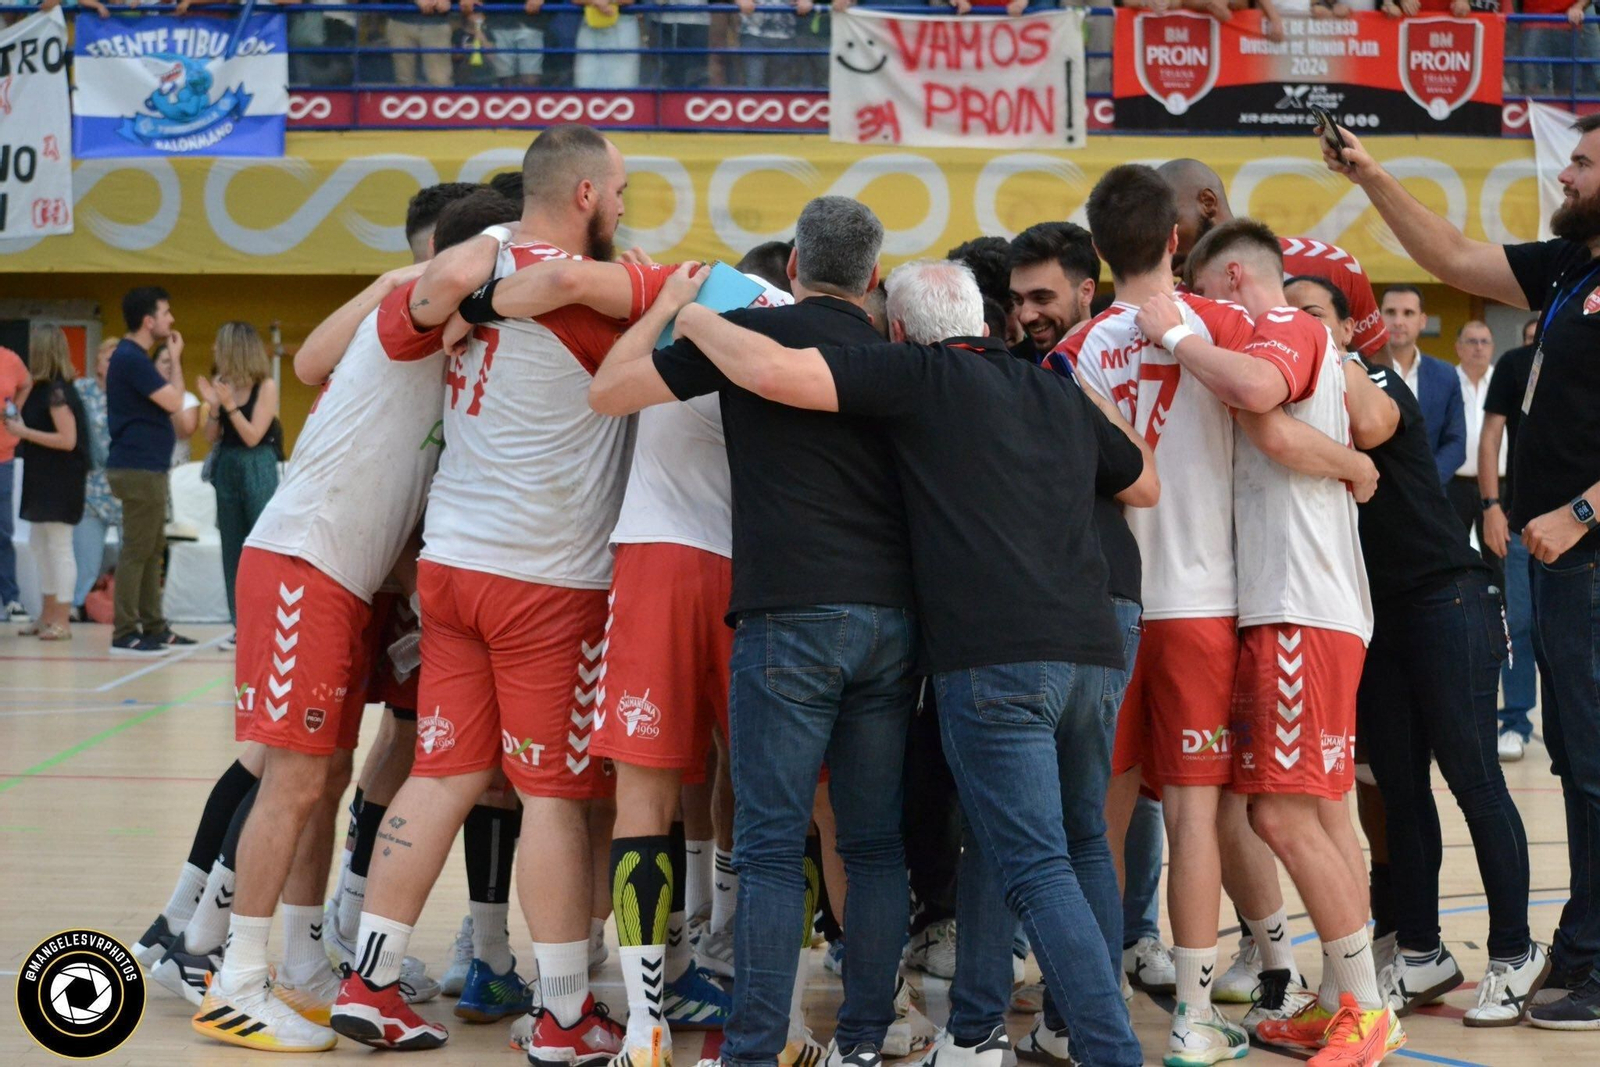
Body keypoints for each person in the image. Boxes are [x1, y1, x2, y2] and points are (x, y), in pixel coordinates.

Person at [666, 258, 1155, 1067]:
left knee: (1034, 862)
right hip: (1095, 653)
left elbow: (770, 370)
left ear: (899, 329)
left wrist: (690, 315)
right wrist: (1066, 377)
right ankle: (987, 1032)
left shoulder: (920, 374)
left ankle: (1108, 1051)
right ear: (990, 322)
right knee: (1070, 847)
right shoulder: (1050, 386)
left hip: (997, 656)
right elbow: (1144, 479)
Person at [330, 126, 679, 1062]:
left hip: (451, 567)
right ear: (585, 197)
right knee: (552, 795)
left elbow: (391, 326)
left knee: (441, 772)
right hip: (545, 581)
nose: (624, 207)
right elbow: (660, 286)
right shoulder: (597, 287)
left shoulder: (456, 282)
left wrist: (476, 272)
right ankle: (565, 1013)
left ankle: (369, 978)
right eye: (620, 190)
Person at [587, 195, 915, 1067]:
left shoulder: (730, 331)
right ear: (871, 277)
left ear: (794, 272)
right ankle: (818, 1025)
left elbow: (608, 389)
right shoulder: (891, 354)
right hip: (791, 581)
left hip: (702, 571)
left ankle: (650, 1026)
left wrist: (667, 306)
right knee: (828, 818)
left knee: (659, 802)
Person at [187, 191, 506, 1054]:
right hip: (306, 559)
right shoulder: (421, 306)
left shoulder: (444, 326)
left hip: (343, 572)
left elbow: (315, 361)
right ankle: (237, 980)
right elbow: (315, 358)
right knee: (294, 780)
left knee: (322, 779)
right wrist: (405, 276)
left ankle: (297, 961)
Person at [1323, 112, 1600, 1027]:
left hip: (1585, 551)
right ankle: (1577, 937)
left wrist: (1583, 507)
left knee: (1585, 764)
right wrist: (1370, 175)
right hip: (1555, 561)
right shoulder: (1569, 267)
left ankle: (1576, 953)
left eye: (1584, 164)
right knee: (1572, 760)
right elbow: (1450, 254)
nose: (1565, 176)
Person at [1136, 220, 1399, 1066]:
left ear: (1238, 277)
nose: (1208, 314)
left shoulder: (1283, 326)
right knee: (1315, 811)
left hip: (1300, 606)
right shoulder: (1309, 336)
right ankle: (1345, 995)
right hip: (1305, 603)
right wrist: (1355, 460)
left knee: (1280, 811)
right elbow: (1359, 421)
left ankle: (1365, 1003)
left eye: (1210, 295)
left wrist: (1174, 330)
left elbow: (1268, 416)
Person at [1286, 274, 1546, 1028]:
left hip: (1449, 597)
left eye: (1309, 313)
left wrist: (1313, 344)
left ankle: (1514, 951)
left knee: (1473, 777)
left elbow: (1368, 430)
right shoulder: (1296, 394)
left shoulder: (1366, 375)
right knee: (1399, 791)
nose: (1292, 324)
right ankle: (1425, 950)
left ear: (1343, 326)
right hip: (1381, 615)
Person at [1056, 164, 1264, 1066]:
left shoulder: (1076, 348)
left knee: (1099, 814)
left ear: (1097, 251)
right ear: (1178, 240)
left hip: (1109, 604)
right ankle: (1191, 1014)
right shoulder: (1222, 326)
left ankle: (1085, 1005)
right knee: (1192, 816)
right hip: (1203, 603)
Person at [1157, 157, 1388, 361]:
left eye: (1171, 223)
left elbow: (1382, 376)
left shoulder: (1331, 264)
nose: (1166, 241)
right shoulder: (1172, 306)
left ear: (1207, 202)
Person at [105, 286, 195, 655]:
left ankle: (153, 626)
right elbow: (175, 402)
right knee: (138, 550)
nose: (171, 319)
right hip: (137, 467)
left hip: (146, 468)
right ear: (149, 320)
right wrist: (174, 358)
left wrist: (173, 359)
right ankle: (125, 631)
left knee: (151, 547)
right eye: (166, 312)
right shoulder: (131, 359)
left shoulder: (133, 358)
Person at [1479, 321, 1539, 761]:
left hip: (1585, 521)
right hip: (1521, 518)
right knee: (1517, 622)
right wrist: (1491, 505)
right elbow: (1491, 435)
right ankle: (1515, 720)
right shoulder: (1515, 366)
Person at [197, 322, 283, 630]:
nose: (214, 350)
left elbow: (253, 436)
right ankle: (240, 624)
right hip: (228, 465)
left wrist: (231, 405)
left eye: (219, 345)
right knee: (231, 545)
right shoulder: (223, 383)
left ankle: (267, 621)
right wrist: (215, 408)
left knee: (259, 545)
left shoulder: (265, 386)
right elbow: (210, 436)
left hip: (257, 463)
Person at [6, 326, 88, 641]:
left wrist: (24, 433)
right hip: (42, 477)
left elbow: (68, 440)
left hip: (61, 479)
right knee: (41, 546)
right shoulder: (40, 389)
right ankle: (47, 614)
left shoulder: (58, 391)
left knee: (59, 547)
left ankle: (62, 620)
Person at [1376, 286, 1465, 484]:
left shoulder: (1446, 375)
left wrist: (1426, 481)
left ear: (1422, 321)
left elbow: (1456, 442)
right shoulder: (1360, 370)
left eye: (1408, 313)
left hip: (1429, 493)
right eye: (1390, 312)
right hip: (1372, 494)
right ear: (1378, 317)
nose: (1398, 321)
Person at [72, 339, 121, 619]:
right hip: (90, 486)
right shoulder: (81, 391)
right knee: (86, 557)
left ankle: (129, 608)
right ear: (97, 363)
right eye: (108, 358)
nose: (112, 365)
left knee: (133, 555)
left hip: (123, 483)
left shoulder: (130, 395)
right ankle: (80, 604)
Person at [1447, 321, 1504, 563]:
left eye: (1484, 342)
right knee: (1454, 555)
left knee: (1499, 557)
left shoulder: (1503, 381)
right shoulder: (1446, 380)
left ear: (1492, 347)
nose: (1479, 348)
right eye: (1472, 341)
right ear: (1458, 347)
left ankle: (1501, 602)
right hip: (1455, 484)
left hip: (1499, 485)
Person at [1008, 222, 1098, 361]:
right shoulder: (1005, 371)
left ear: (1086, 292)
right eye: (1018, 300)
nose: (1026, 316)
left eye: (1041, 298)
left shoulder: (1128, 361)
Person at [0, 340, 30, 622]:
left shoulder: (9, 359)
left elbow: (26, 382)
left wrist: (15, 412)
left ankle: (11, 598)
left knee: (3, 532)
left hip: (3, 456)